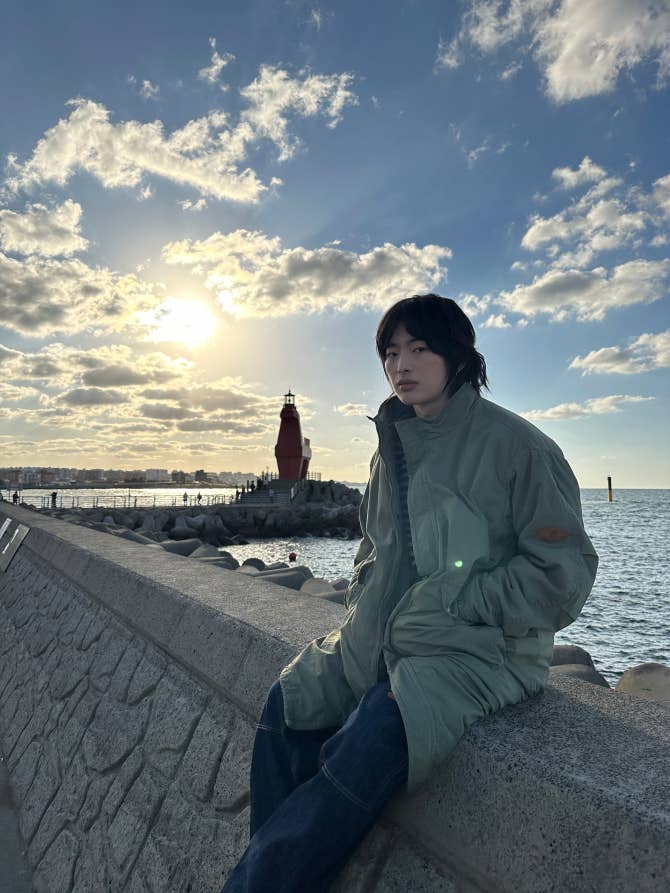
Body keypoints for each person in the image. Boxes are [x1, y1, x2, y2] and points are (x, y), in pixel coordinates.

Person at [221, 294, 598, 892]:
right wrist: (364, 610)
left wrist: (459, 602)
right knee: (288, 703)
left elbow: (562, 577)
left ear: (459, 357)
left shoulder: (518, 447)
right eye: (392, 352)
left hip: (479, 651)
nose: (402, 365)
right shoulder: (392, 444)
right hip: (384, 636)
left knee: (366, 739)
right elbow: (373, 548)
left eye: (420, 349)